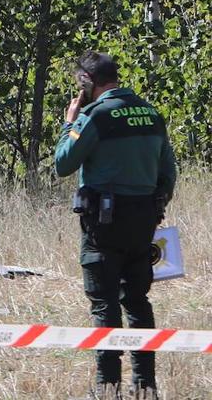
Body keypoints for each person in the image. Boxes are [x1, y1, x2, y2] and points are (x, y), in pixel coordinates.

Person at [55, 51, 177, 400]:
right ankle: (145, 387)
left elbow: (64, 163)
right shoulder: (151, 114)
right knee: (137, 301)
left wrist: (70, 123)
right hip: (143, 222)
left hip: (103, 225)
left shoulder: (96, 117)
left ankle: (107, 389)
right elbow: (168, 172)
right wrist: (154, 206)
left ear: (87, 84)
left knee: (104, 303)